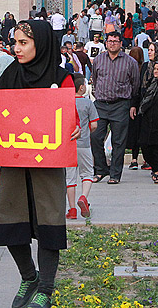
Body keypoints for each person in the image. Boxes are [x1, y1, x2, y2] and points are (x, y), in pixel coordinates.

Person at [0, 19, 77, 308]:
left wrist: (76, 127)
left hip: (47, 166)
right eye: (15, 42)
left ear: (42, 44)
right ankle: (28, 277)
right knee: (11, 223)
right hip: (14, 164)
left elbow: (71, 116)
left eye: (23, 43)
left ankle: (45, 288)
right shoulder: (10, 74)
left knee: (49, 224)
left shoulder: (61, 78)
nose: (16, 48)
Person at [89, 31, 141, 185]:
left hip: (120, 105)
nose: (112, 43)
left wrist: (131, 104)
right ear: (106, 43)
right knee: (95, 137)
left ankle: (115, 174)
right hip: (101, 104)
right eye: (110, 41)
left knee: (119, 141)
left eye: (115, 41)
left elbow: (135, 84)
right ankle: (100, 169)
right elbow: (95, 80)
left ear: (120, 43)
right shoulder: (98, 60)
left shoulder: (130, 62)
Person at [66, 73, 98, 218]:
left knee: (70, 179)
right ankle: (83, 197)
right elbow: (94, 125)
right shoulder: (88, 103)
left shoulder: (66, 103)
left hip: (69, 145)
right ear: (81, 87)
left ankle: (72, 210)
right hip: (84, 144)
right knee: (87, 173)